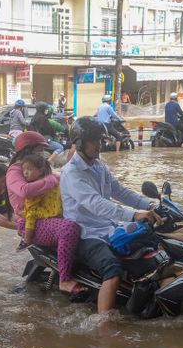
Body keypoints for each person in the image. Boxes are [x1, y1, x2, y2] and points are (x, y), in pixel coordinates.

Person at [60, 116, 161, 317]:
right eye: (94, 140)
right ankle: (104, 327)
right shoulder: (72, 173)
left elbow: (119, 191)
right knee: (113, 270)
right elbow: (96, 204)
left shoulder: (98, 165)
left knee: (153, 247)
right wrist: (134, 215)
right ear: (80, 143)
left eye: (99, 139)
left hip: (110, 228)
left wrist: (149, 205)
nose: (100, 144)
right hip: (86, 234)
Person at [17, 153, 82, 294]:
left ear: (40, 170)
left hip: (52, 222)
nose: (25, 173)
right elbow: (31, 214)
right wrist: (27, 238)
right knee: (69, 228)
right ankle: (64, 280)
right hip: (34, 225)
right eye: (24, 170)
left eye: (29, 169)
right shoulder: (34, 187)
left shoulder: (54, 180)